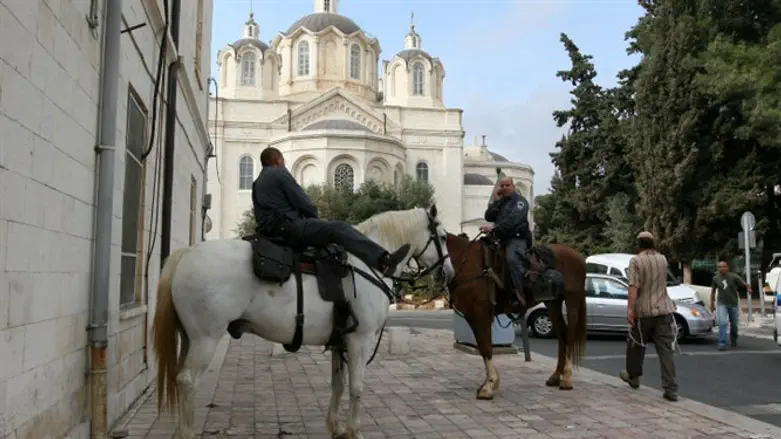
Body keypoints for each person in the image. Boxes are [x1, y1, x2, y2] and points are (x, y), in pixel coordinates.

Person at [252, 147, 411, 276]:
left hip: (269, 232)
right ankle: (383, 260)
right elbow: (303, 202)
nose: (284, 164)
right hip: (289, 228)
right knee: (339, 228)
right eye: (283, 161)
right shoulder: (279, 172)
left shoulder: (257, 182)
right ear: (277, 160)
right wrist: (316, 220)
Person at [620, 231, 678, 402]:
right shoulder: (662, 259)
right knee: (665, 351)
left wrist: (630, 309)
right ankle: (671, 389)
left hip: (644, 311)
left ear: (638, 244)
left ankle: (633, 376)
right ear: (653, 243)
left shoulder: (636, 261)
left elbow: (633, 287)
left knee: (635, 345)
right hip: (664, 309)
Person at [479, 176, 531, 309]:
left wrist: (494, 228)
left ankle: (520, 295)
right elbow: (488, 216)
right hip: (501, 240)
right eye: (501, 186)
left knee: (511, 259)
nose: (504, 188)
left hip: (517, 239)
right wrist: (495, 201)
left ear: (513, 187)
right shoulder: (501, 202)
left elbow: (514, 220)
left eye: (507, 185)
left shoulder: (521, 202)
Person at [710, 260, 752, 350]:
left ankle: (733, 340)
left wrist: (748, 288)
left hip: (733, 304)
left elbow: (744, 283)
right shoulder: (716, 278)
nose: (722, 268)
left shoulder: (733, 276)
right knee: (723, 322)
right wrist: (711, 304)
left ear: (727, 268)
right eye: (720, 267)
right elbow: (713, 292)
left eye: (724, 266)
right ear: (718, 269)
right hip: (722, 303)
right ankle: (722, 343)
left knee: (734, 325)